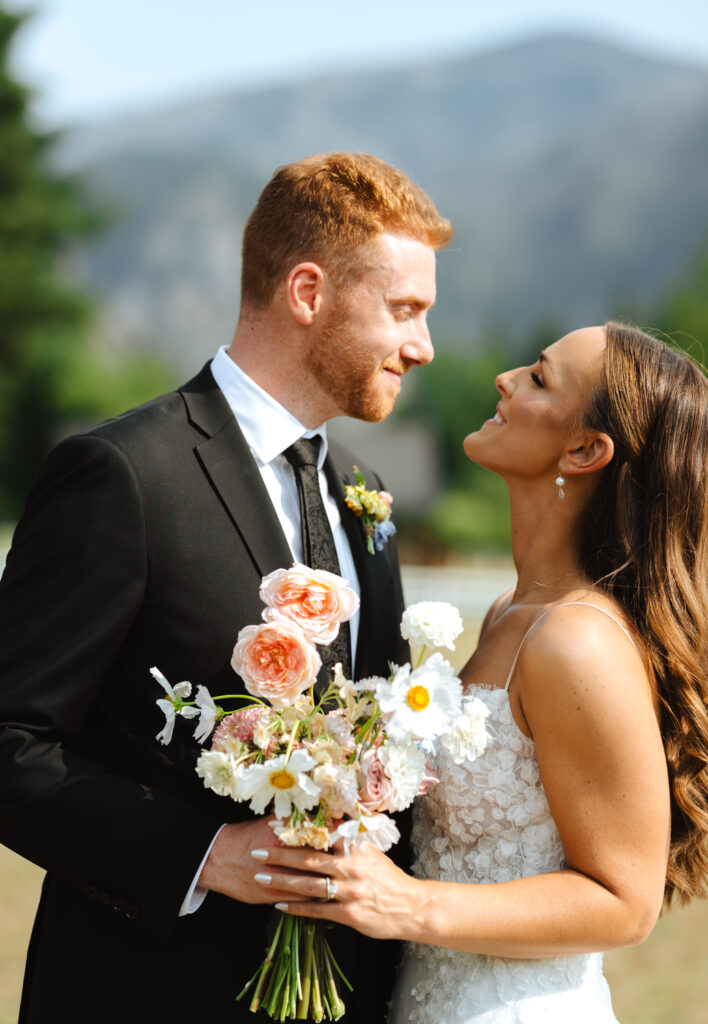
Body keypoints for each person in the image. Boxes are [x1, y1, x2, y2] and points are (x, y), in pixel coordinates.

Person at [0, 152, 452, 1023]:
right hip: (148, 992)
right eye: (405, 310)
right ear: (309, 292)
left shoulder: (366, 495)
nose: (422, 345)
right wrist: (201, 854)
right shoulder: (125, 475)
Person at [251, 322, 708, 1023]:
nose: (506, 376)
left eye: (539, 377)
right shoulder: (509, 611)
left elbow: (625, 904)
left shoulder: (577, 641)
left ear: (586, 449)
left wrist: (405, 905)